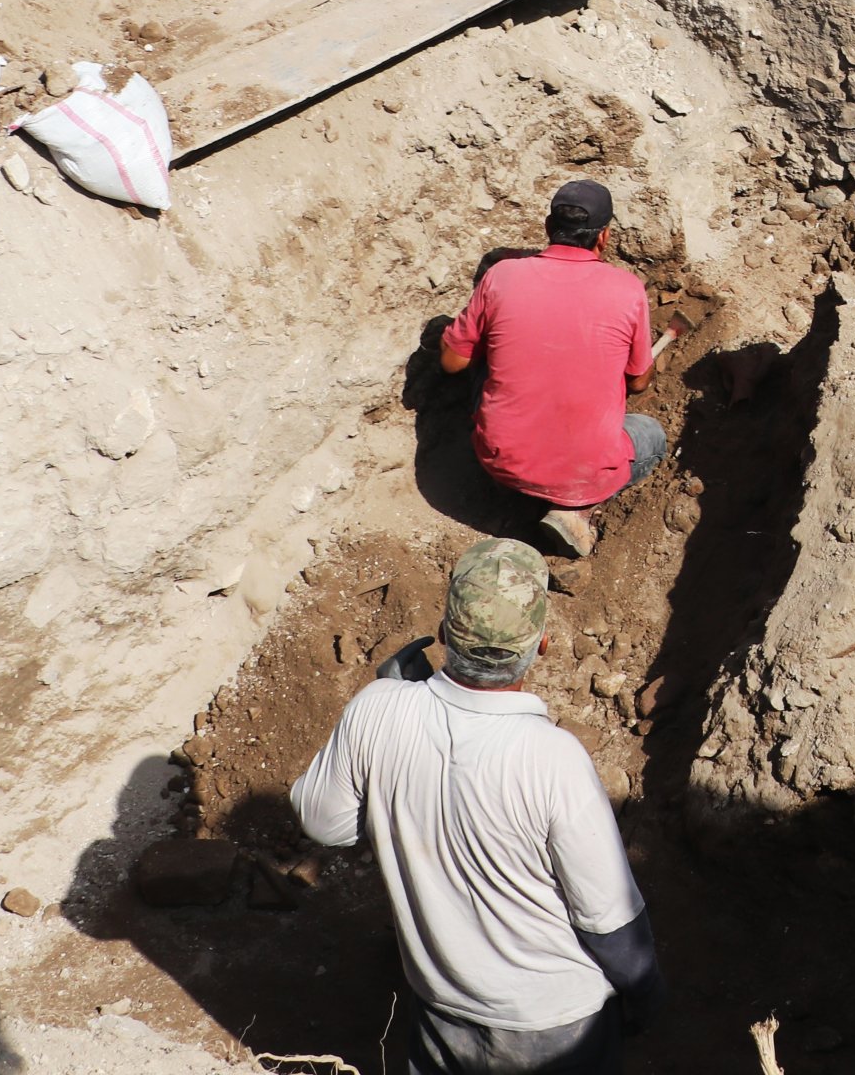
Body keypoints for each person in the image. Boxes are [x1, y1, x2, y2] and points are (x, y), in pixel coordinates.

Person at [291, 538, 665, 1075]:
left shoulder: (377, 710)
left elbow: (324, 824)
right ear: (541, 647)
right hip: (555, 1025)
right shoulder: (552, 758)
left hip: (442, 1009)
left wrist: (387, 712)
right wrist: (646, 992)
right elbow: (607, 919)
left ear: (443, 634)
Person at [440, 179, 670, 558]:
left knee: (485, 359)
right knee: (649, 434)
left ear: (549, 229)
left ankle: (520, 490)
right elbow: (640, 382)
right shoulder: (627, 289)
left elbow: (452, 362)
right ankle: (575, 509)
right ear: (604, 237)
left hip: (499, 461)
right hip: (584, 475)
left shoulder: (501, 276)